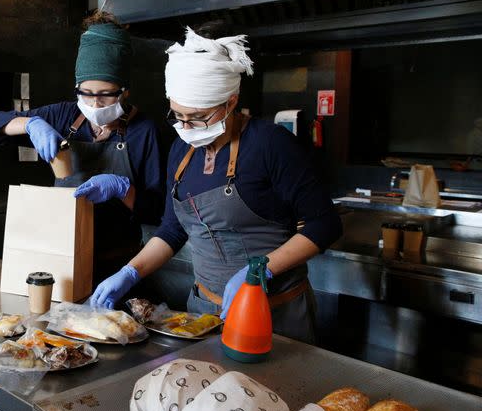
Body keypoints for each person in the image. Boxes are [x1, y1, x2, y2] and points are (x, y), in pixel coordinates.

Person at [89, 26, 342, 343]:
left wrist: (262, 269)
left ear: (230, 102)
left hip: (274, 314)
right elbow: (172, 229)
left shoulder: (270, 145)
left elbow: (325, 225)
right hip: (203, 315)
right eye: (177, 116)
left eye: (197, 117)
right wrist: (131, 271)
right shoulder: (181, 150)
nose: (185, 127)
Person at [0, 11, 164, 283]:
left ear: (124, 91)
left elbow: (156, 211)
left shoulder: (144, 132)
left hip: (118, 263)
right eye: (86, 94)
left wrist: (123, 189)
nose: (95, 104)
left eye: (105, 95)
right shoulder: (64, 116)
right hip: (61, 256)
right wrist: (30, 125)